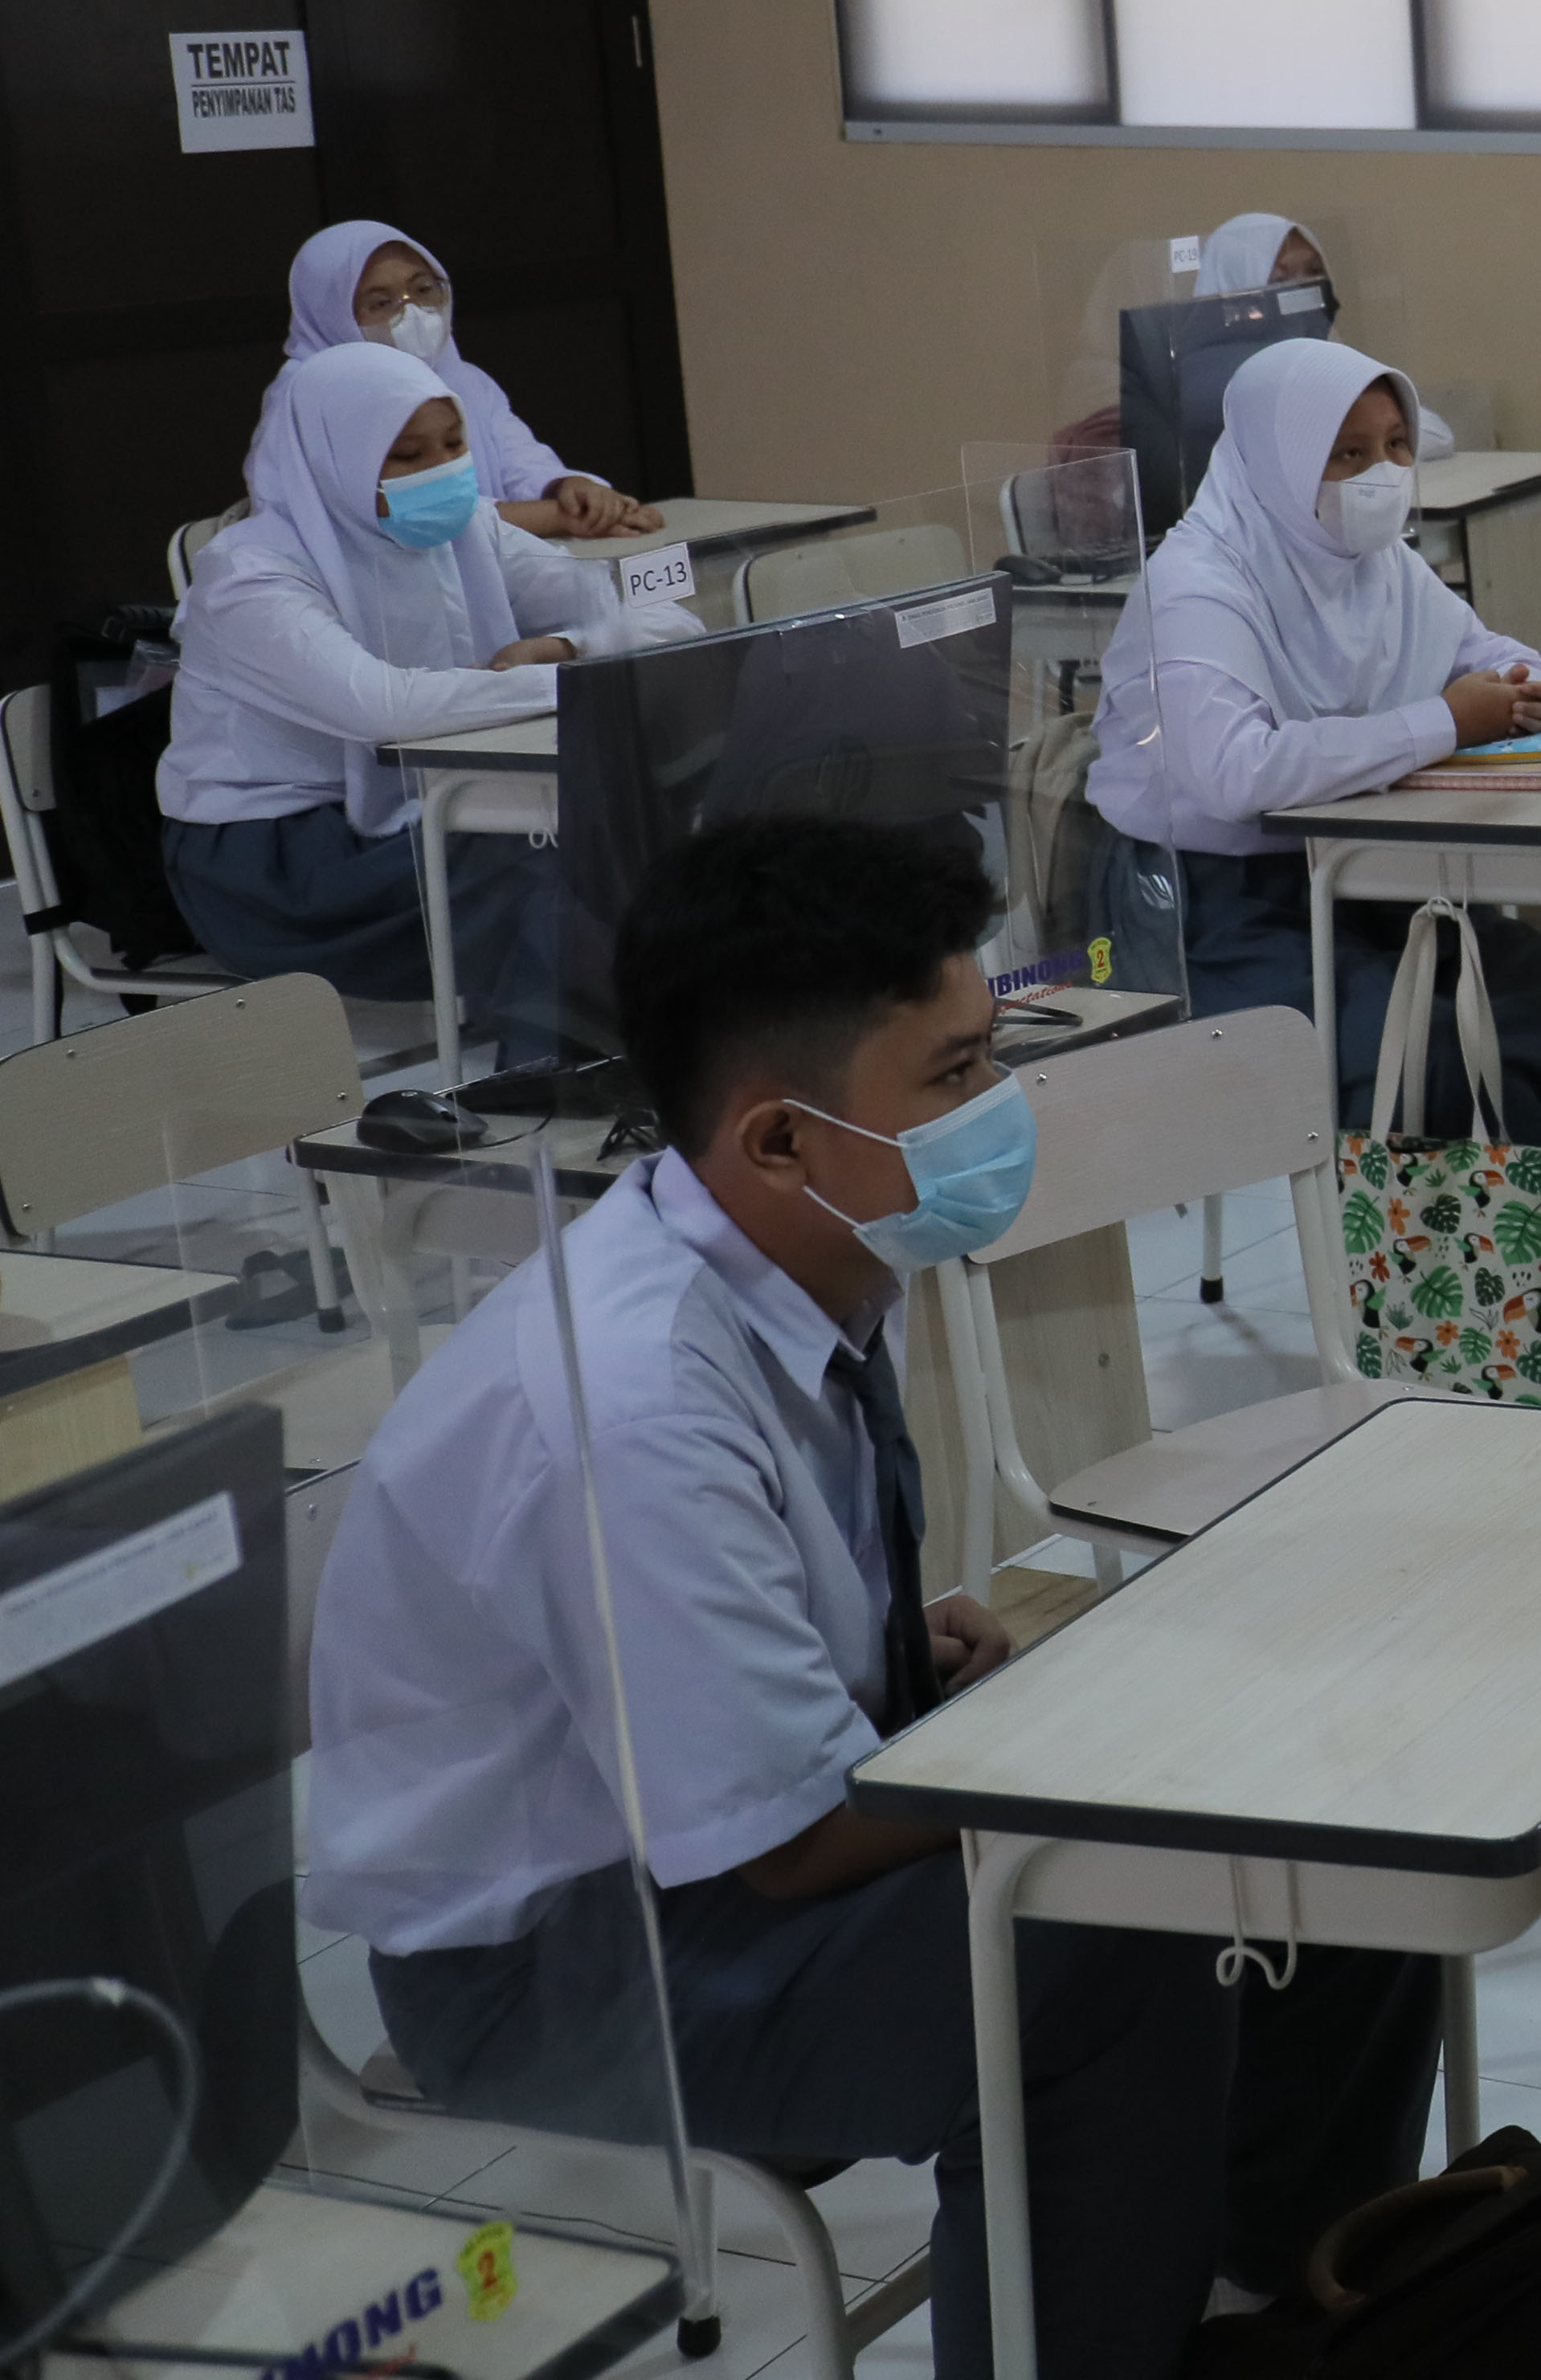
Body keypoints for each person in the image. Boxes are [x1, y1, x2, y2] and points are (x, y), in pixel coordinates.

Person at [305, 814, 1440, 2380]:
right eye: (959, 1073)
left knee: (1327, 1822)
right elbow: (785, 1846)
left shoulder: (815, 1247)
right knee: (1100, 1947)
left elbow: (759, 1655)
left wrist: (894, 1657)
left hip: (707, 1837)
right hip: (559, 1965)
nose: (1003, 1106)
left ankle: (1278, 2298)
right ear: (777, 1138)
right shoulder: (628, 1400)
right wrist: (1101, 1718)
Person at [1083, 340, 1541, 1345]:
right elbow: (1239, 773)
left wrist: (1516, 685)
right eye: (1346, 454)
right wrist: (1444, 720)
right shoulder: (1199, 584)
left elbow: (1482, 650)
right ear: (1278, 461)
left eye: (1395, 444)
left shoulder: (1372, 562)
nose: (1381, 474)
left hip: (1358, 880)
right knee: (1436, 1059)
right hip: (1204, 916)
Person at [160, 342, 699, 1037]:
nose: (441, 472)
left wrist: (570, 647)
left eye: (453, 445)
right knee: (539, 856)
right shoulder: (247, 575)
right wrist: (570, 679)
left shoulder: (469, 528)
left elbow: (667, 617)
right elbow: (382, 708)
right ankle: (571, 1087)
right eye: (407, 457)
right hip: (275, 862)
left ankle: (669, 1050)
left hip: (424, 805)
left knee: (634, 819)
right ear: (332, 459)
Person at [278, 218, 661, 538]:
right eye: (381, 303)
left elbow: (518, 458)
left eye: (423, 289)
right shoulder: (312, 399)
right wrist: (563, 518)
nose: (411, 313)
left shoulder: (465, 379)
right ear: (330, 317)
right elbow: (424, 513)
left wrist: (571, 490)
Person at [1195, 213, 1452, 455]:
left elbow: (1435, 434)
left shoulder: (1322, 355)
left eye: (1314, 273)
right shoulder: (1215, 384)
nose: (1305, 292)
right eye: (1280, 281)